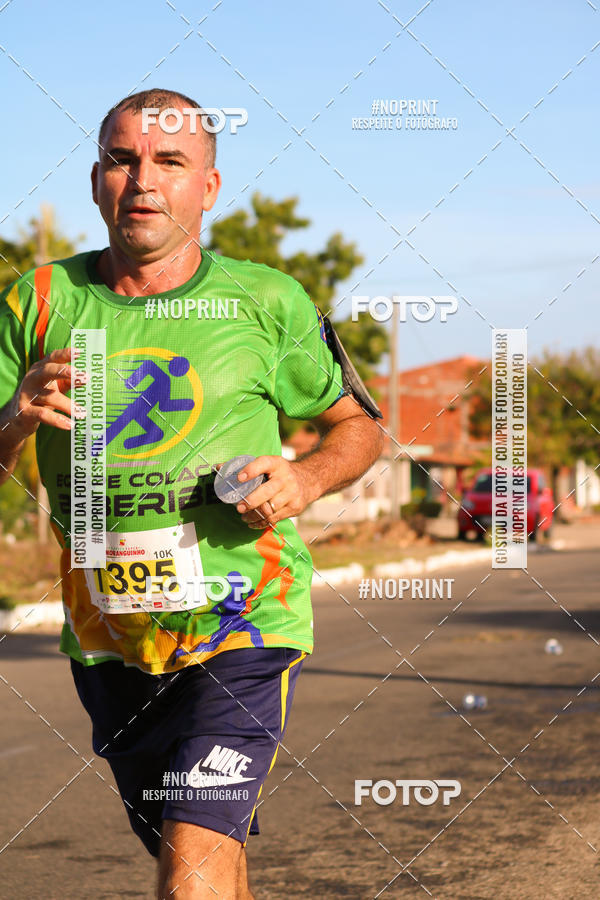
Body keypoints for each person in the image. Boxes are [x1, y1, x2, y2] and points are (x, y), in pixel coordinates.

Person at [0, 88, 383, 899]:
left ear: (207, 187)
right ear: (96, 179)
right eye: (121, 158)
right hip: (110, 635)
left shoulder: (266, 299)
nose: (143, 179)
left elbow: (361, 427)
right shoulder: (34, 303)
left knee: (190, 872)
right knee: (204, 860)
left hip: (245, 624)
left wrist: (306, 476)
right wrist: (14, 419)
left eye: (170, 161)